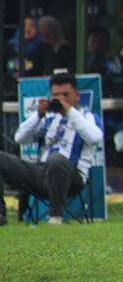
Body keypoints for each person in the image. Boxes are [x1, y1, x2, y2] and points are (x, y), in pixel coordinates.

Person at [0, 72, 103, 225]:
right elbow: (20, 138)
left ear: (77, 96)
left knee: (57, 160)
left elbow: (95, 137)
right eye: (56, 95)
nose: (61, 99)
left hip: (73, 176)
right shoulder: (48, 119)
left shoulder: (87, 118)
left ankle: (55, 217)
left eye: (66, 95)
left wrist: (69, 111)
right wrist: (38, 114)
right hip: (40, 172)